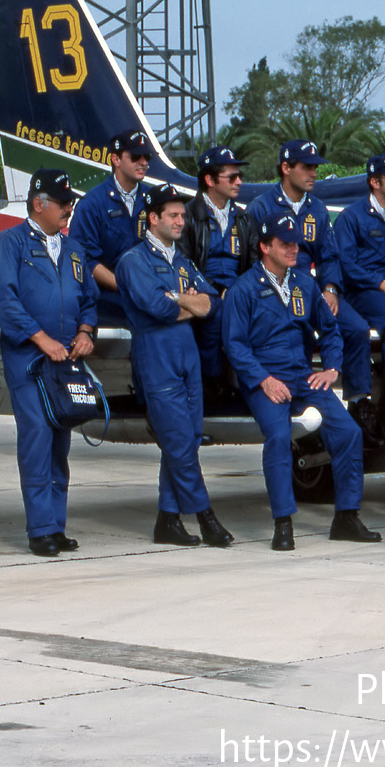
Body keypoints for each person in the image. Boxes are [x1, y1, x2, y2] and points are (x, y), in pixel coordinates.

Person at [223, 213, 382, 550]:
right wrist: (264, 380)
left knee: (348, 432)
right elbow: (235, 345)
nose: (294, 249)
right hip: (266, 379)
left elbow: (331, 330)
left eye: (296, 243)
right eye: (285, 244)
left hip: (302, 376)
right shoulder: (244, 289)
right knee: (279, 437)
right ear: (265, 247)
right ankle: (283, 522)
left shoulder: (304, 284)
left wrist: (332, 369)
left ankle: (347, 517)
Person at [0, 169, 99, 556]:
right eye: (63, 202)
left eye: (71, 202)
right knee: (36, 436)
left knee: (60, 440)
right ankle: (39, 529)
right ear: (39, 203)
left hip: (64, 361)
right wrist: (41, 339)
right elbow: (4, 299)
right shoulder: (10, 243)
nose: (70, 209)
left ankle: (56, 525)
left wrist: (86, 331)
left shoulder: (73, 249)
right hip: (29, 361)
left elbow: (89, 298)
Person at [115, 183, 233, 547]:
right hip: (156, 356)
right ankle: (205, 516)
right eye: (174, 215)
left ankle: (167, 520)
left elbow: (211, 303)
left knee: (187, 440)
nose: (182, 220)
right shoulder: (133, 261)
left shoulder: (181, 261)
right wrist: (184, 304)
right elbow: (158, 308)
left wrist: (177, 300)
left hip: (187, 355)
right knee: (179, 441)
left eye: (183, 214)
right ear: (154, 219)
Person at [246, 140, 379, 442]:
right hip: (275, 291)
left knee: (357, 328)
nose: (314, 173)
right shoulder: (261, 207)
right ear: (286, 168)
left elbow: (329, 255)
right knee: (296, 335)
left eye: (316, 167)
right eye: (307, 167)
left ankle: (359, 401)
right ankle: (298, 400)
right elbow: (252, 259)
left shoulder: (316, 209)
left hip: (313, 290)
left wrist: (331, 288)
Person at [334, 152, 385, 428]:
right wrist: (382, 284)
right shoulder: (351, 217)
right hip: (362, 288)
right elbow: (346, 264)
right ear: (375, 182)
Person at [179, 145, 259, 395]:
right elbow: (183, 260)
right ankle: (213, 383)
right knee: (216, 313)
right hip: (203, 289)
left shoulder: (244, 218)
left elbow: (255, 262)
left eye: (240, 176)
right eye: (232, 177)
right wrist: (213, 289)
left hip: (237, 289)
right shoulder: (188, 215)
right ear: (210, 180)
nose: (239, 182)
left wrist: (237, 290)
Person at [68, 128, 153, 322]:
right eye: (135, 157)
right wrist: (124, 286)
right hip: (109, 303)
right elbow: (83, 258)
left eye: (146, 157)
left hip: (153, 296)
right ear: (115, 159)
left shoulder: (154, 200)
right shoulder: (92, 204)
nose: (143, 163)